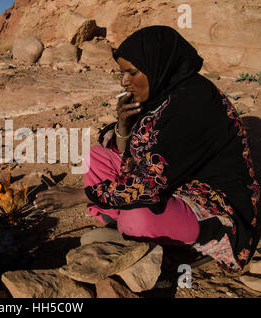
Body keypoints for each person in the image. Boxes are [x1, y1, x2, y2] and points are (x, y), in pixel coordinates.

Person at [33, 25, 260, 272]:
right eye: (122, 73)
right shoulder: (160, 93)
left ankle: (183, 245)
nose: (124, 82)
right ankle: (122, 225)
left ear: (157, 65)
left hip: (208, 203)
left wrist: (79, 195)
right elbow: (127, 154)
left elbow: (149, 183)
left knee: (136, 216)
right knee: (94, 157)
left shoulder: (196, 102)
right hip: (164, 185)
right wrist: (123, 126)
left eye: (131, 73)